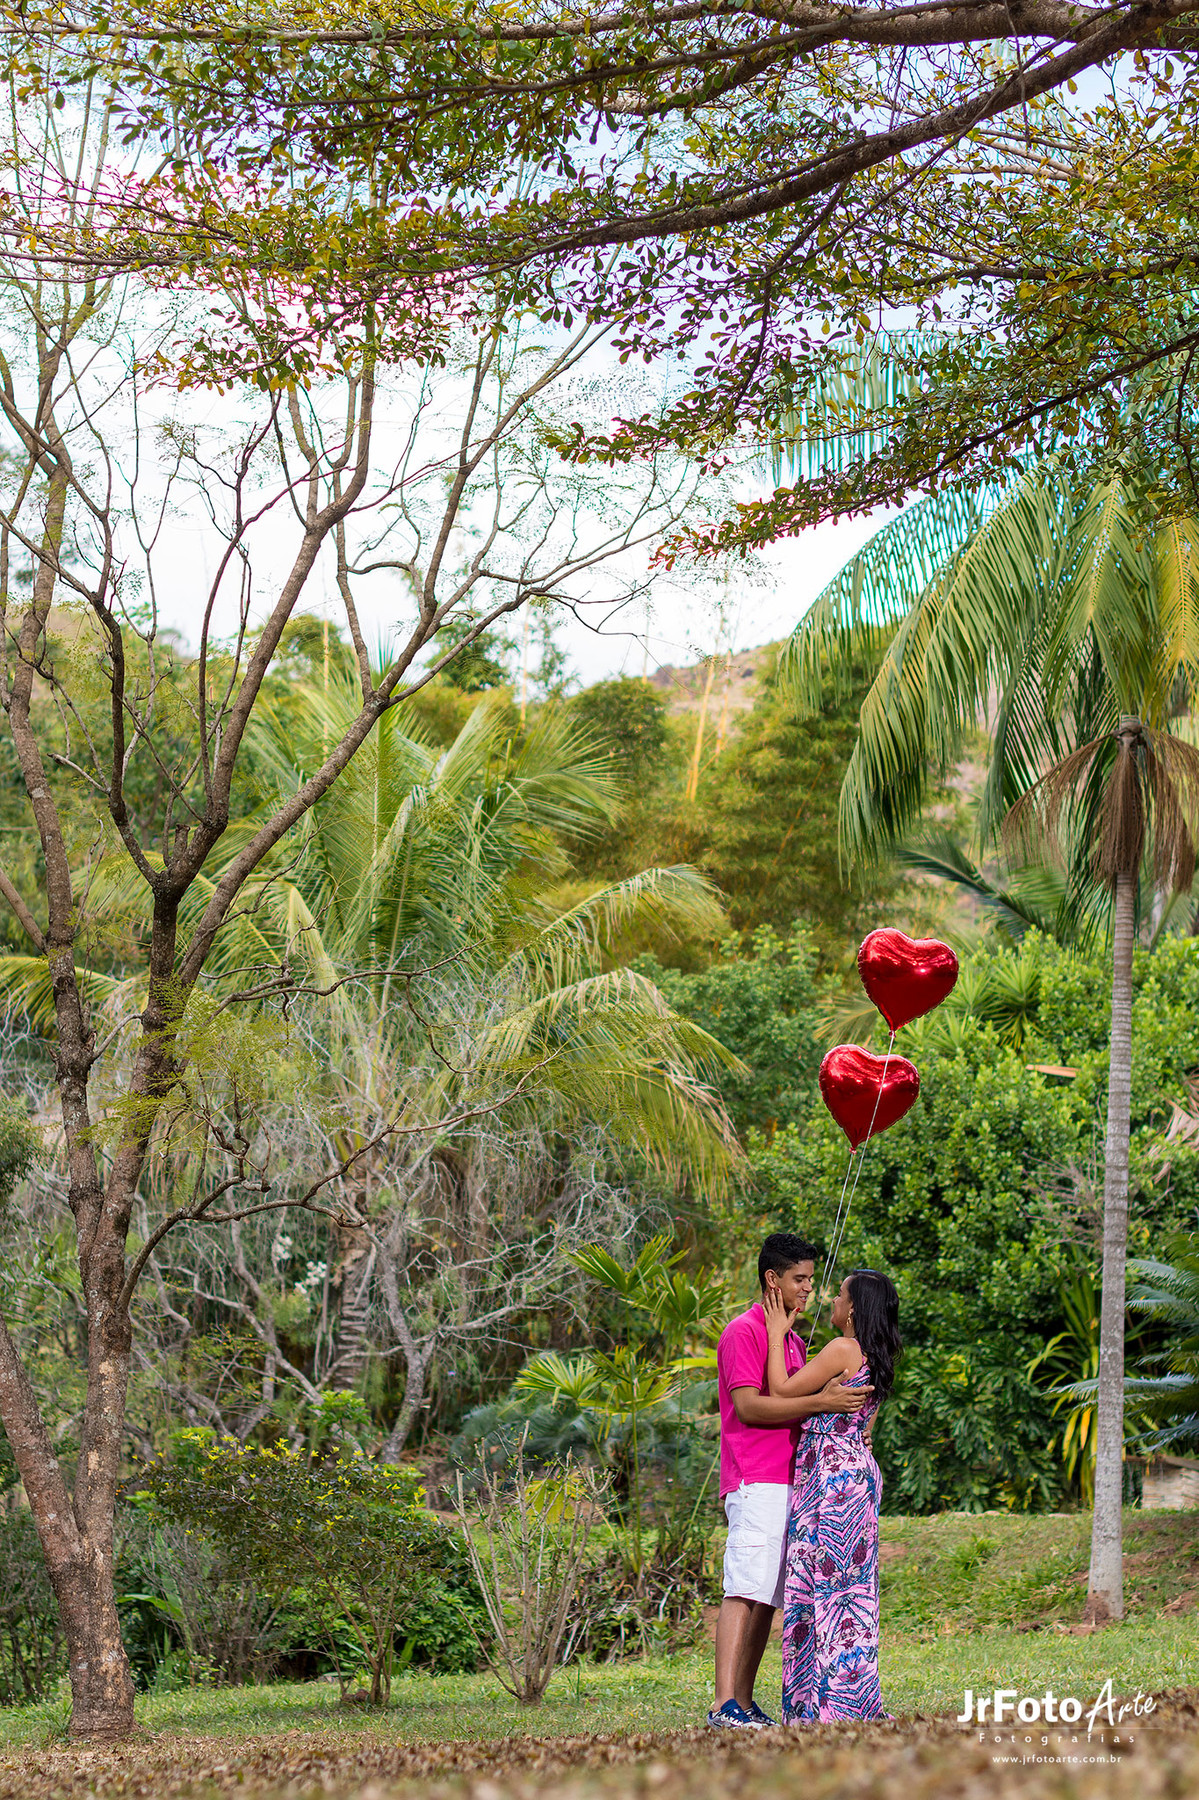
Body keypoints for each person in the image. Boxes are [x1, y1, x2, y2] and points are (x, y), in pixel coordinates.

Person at [709, 1233, 874, 1731]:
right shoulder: (745, 1332)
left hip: (795, 1484)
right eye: (799, 1280)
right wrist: (820, 1402)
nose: (808, 1290)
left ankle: (743, 1700)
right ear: (771, 1279)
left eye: (809, 1279)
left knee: (769, 1596)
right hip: (755, 1478)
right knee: (744, 1588)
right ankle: (722, 1705)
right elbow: (750, 1407)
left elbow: (800, 1407)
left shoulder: (794, 1340)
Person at [764, 1267, 902, 1722]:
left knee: (818, 1588)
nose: (832, 1301)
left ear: (854, 1309)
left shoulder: (842, 1348)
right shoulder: (876, 1354)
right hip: (857, 1476)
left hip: (829, 1480)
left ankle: (817, 1707)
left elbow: (783, 1390)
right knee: (851, 1594)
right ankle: (851, 1701)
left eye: (840, 1296)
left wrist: (774, 1333)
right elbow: (863, 1431)